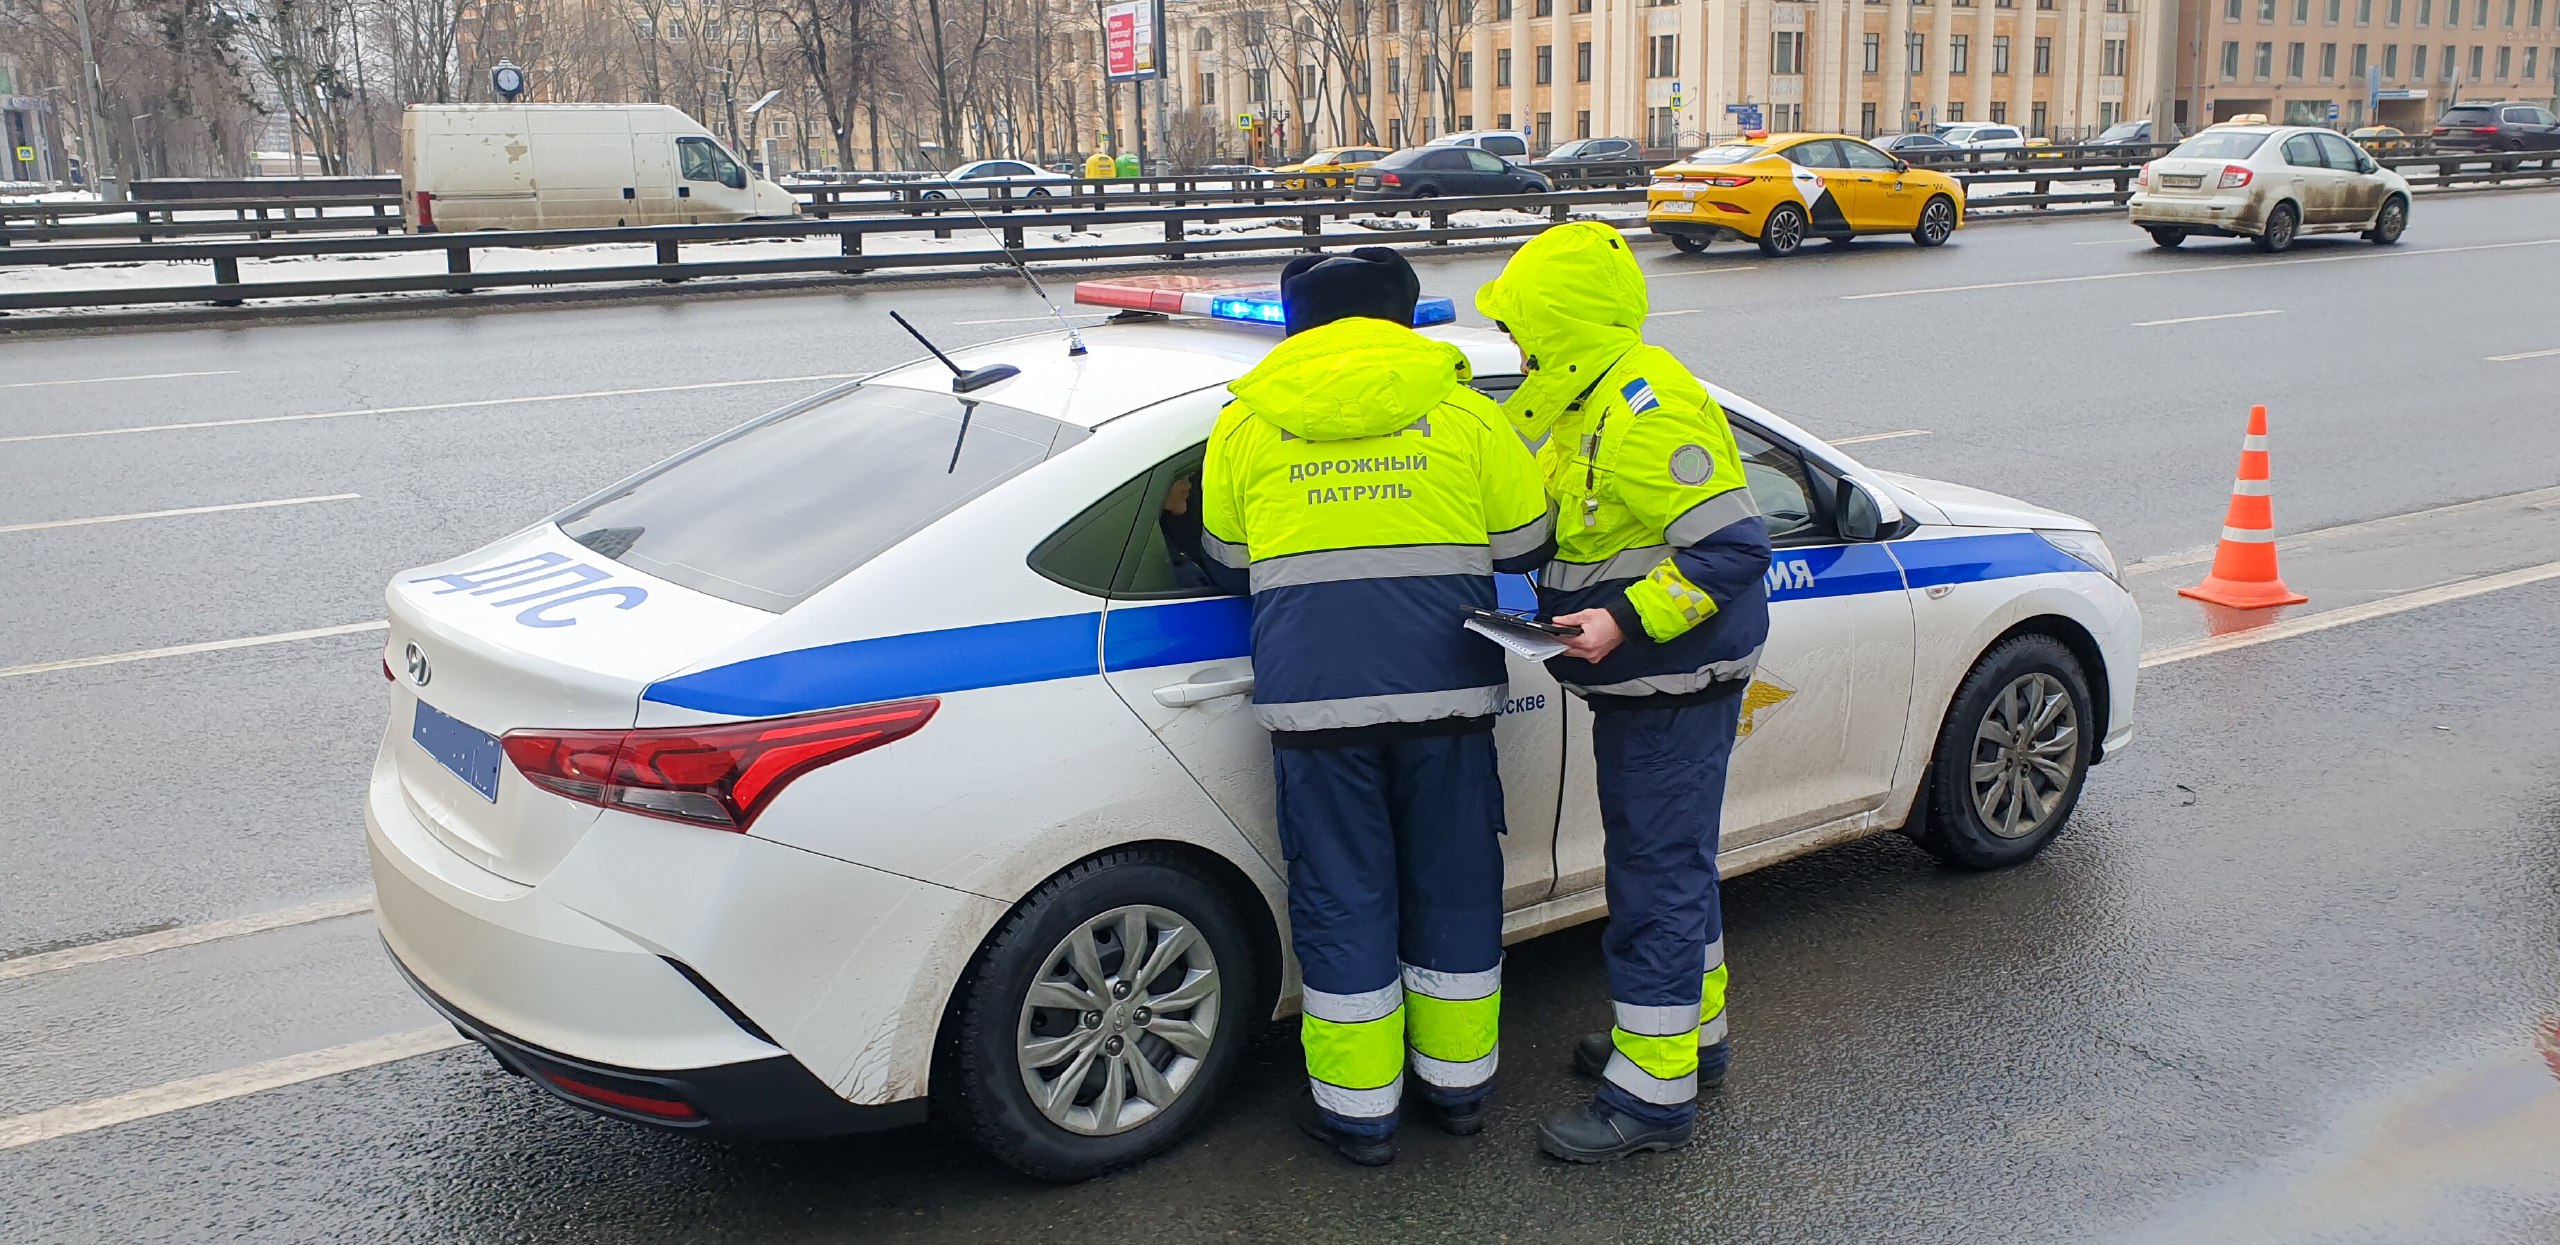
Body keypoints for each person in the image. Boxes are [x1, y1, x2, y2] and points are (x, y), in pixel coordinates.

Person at [1188, 248, 1555, 1166]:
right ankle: (1459, 1089)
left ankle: (1360, 1115)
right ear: (1406, 318)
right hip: (1448, 688)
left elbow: (1227, 559)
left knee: (1342, 894)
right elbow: (1525, 538)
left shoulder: (1247, 423)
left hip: (1315, 701)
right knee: (1455, 886)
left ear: (1295, 324)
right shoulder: (1465, 411)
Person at [1474, 221, 1773, 1163]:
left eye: (1523, 327)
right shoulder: (1584, 399)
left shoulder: (1645, 405)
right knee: (1671, 862)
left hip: (1671, 676)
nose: (1516, 348)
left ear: (1558, 323)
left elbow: (1731, 549)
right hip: (1644, 680)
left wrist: (1621, 621)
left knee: (1656, 878)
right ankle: (1691, 1039)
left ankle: (1650, 1097)